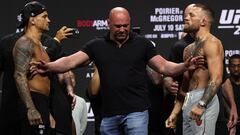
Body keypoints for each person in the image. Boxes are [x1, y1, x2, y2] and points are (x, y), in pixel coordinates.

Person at [32, 7, 204, 135]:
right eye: (117, 26)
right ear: (108, 24)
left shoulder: (142, 44)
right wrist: (49, 66)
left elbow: (164, 67)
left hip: (137, 113)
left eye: (125, 25)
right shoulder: (96, 45)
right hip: (109, 115)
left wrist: (184, 66)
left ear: (130, 22)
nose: (122, 29)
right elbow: (70, 61)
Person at [165, 3, 225, 135]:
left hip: (204, 98)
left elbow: (217, 78)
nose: (186, 18)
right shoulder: (188, 49)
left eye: (191, 15)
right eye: (186, 15)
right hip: (187, 100)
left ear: (203, 21)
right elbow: (185, 84)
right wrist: (175, 111)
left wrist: (201, 104)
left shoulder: (212, 43)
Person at [228, 54, 240, 134]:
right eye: (233, 66)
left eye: (239, 66)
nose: (236, 69)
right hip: (230, 125)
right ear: (228, 67)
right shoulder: (225, 86)